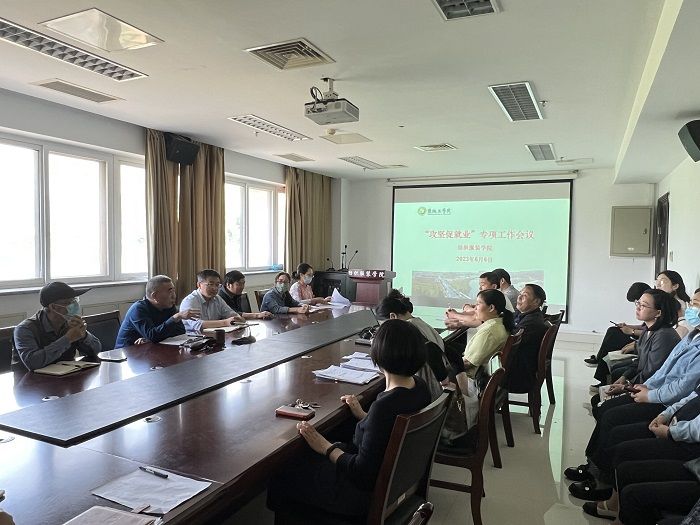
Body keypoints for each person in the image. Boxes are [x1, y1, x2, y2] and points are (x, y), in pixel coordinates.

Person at [266, 319, 431, 518]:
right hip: (398, 483)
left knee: (284, 472)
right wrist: (365, 417)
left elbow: (361, 473)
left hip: (361, 495)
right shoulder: (420, 388)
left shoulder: (383, 407)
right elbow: (389, 429)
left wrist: (325, 446)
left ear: (379, 356)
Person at [593, 289, 680, 389]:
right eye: (638, 303)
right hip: (645, 382)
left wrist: (626, 386)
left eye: (643, 305)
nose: (638, 308)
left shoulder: (663, 336)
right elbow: (639, 361)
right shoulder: (648, 330)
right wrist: (625, 376)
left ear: (658, 313)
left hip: (655, 388)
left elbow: (651, 373)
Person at [11, 281, 102, 371]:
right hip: (30, 379)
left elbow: (96, 350)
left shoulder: (69, 323)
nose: (74, 305)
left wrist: (83, 334)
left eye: (74, 300)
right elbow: (33, 363)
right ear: (53, 307)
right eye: (68, 302)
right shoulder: (25, 329)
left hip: (67, 376)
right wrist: (68, 339)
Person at [375, 293, 448, 400]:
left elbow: (432, 351)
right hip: (433, 391)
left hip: (426, 391)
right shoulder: (419, 322)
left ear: (393, 317)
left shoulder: (408, 329)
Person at [116, 275, 199, 347]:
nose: (174, 296)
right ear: (154, 296)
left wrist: (151, 338)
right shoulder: (138, 309)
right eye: (170, 292)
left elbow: (180, 332)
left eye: (174, 291)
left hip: (152, 350)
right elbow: (153, 335)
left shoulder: (168, 306)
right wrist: (175, 318)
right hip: (127, 353)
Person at [502, 284, 549, 393]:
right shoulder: (527, 314)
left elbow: (509, 342)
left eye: (525, 295)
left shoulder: (532, 322)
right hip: (518, 366)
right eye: (520, 293)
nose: (519, 297)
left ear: (536, 302)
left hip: (517, 376)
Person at [462, 288, 514, 378]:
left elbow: (468, 363)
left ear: (491, 308)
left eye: (478, 304)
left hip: (471, 378)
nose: (475, 308)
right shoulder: (500, 323)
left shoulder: (489, 331)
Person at [179, 269, 245, 332]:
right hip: (193, 337)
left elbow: (230, 313)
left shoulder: (217, 299)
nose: (215, 288)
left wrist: (238, 318)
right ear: (199, 285)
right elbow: (197, 325)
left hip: (214, 335)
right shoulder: (190, 301)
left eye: (217, 285)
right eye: (210, 284)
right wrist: (225, 322)